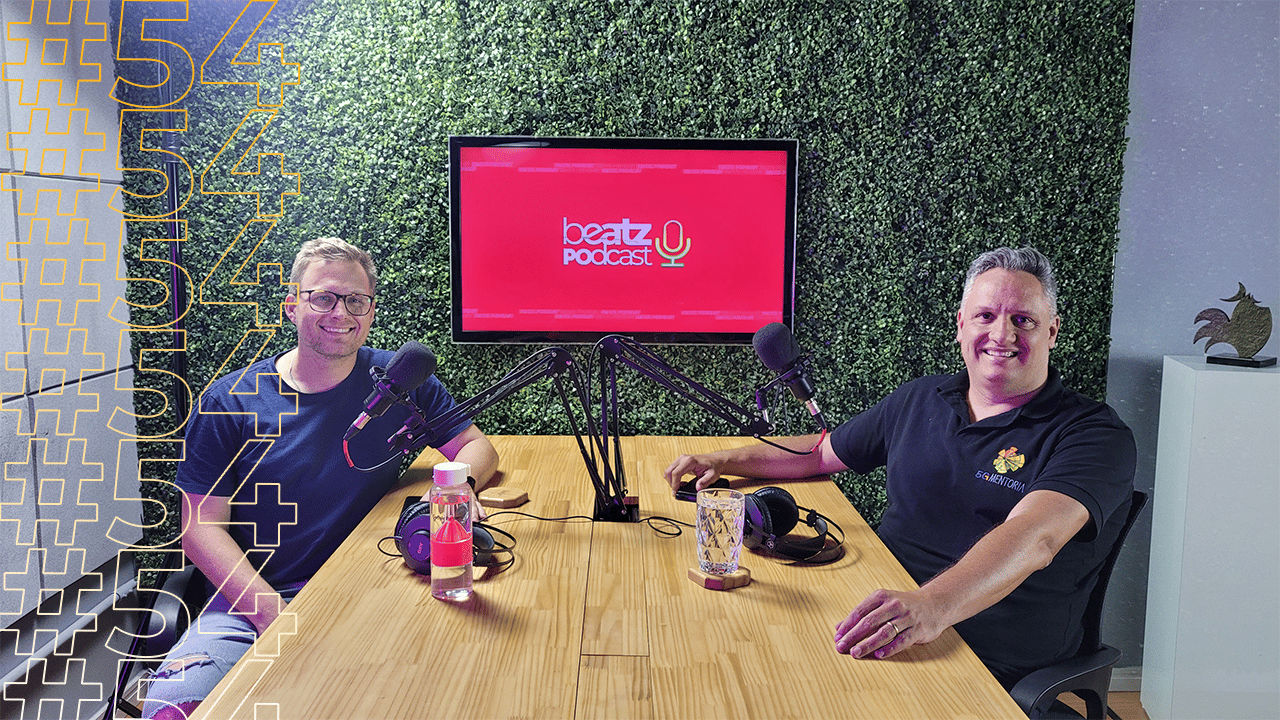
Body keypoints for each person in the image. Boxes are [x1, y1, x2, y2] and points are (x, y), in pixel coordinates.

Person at [664, 246, 1135, 688]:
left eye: (1023, 320)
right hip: (883, 613)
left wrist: (932, 605)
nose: (1001, 334)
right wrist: (723, 459)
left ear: (1051, 331)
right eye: (986, 316)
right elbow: (822, 454)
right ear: (960, 325)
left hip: (986, 652)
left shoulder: (1094, 434)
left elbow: (1036, 537)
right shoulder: (923, 397)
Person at [143, 238, 499, 719]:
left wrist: (459, 486)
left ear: (371, 310)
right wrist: (271, 613)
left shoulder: (399, 382)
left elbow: (476, 447)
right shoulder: (231, 401)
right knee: (172, 708)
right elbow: (199, 527)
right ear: (291, 305)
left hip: (372, 588)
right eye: (324, 298)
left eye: (356, 300)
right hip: (254, 599)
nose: (341, 313)